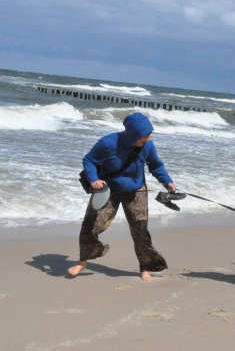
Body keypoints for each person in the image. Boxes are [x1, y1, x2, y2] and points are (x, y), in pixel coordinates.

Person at [68, 112, 176, 281]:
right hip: (109, 190)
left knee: (140, 230)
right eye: (145, 135)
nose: (148, 139)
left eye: (149, 135)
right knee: (90, 225)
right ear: (134, 134)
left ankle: (145, 268)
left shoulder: (147, 145)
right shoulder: (108, 143)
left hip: (136, 191)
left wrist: (167, 182)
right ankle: (82, 262)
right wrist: (94, 179)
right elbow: (89, 160)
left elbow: (156, 165)